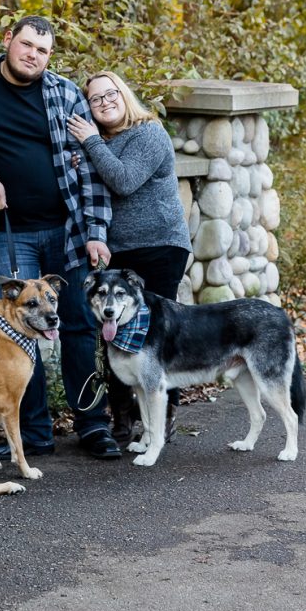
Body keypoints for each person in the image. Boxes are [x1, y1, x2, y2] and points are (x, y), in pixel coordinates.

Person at [0, 16, 121, 460]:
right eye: (27, 44)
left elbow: (91, 168)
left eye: (43, 49)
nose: (33, 54)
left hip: (67, 232)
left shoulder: (66, 94)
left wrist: (96, 231)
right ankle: (33, 433)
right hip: (4, 233)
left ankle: (92, 425)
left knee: (78, 327)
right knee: (14, 333)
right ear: (7, 41)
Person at [66, 70, 192, 446]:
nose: (105, 102)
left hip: (160, 246)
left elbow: (123, 179)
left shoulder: (148, 133)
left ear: (124, 95)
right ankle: (122, 421)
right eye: (95, 99)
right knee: (114, 335)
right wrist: (88, 152)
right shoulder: (99, 144)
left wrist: (89, 141)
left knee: (159, 334)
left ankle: (162, 418)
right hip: (117, 251)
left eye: (111, 94)